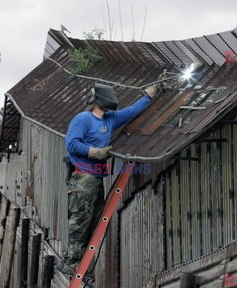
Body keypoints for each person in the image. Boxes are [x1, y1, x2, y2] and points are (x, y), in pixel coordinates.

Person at [56, 82, 161, 276]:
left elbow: (131, 111)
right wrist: (94, 152)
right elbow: (71, 144)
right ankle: (72, 262)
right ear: (99, 101)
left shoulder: (109, 119)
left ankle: (81, 264)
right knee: (81, 219)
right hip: (83, 177)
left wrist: (149, 96)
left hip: (96, 178)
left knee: (94, 221)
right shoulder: (83, 119)